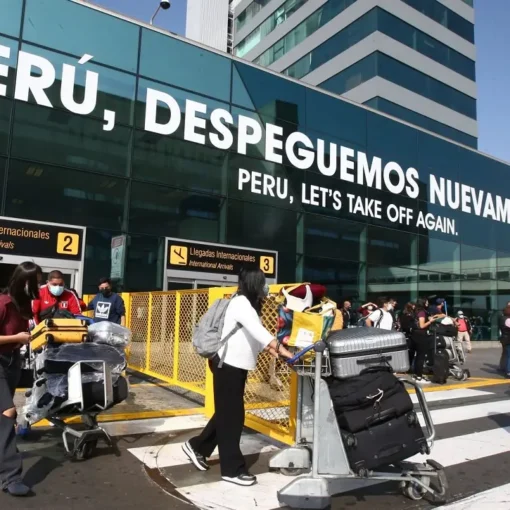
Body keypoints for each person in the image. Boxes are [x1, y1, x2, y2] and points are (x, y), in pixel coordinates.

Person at [182, 267, 293, 487]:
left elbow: (254, 336)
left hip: (235, 367)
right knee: (233, 418)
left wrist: (273, 350)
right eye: (262, 283)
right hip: (228, 366)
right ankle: (231, 470)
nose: (265, 287)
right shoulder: (241, 303)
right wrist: (282, 350)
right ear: (254, 284)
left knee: (227, 413)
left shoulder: (246, 304)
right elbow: (259, 332)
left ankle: (197, 446)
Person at [0, 261, 41, 496]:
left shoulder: (24, 305)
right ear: (23, 281)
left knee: (2, 417)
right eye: (35, 280)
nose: (39, 284)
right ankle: (11, 477)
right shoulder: (3, 303)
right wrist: (16, 336)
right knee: (8, 413)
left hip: (13, 361)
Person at [411, 298, 442, 384]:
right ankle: (419, 376)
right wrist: (430, 321)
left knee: (418, 356)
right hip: (421, 335)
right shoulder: (421, 312)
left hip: (415, 335)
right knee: (421, 356)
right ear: (423, 303)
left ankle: (417, 374)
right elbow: (421, 325)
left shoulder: (416, 311)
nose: (428, 303)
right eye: (426, 301)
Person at [400, 302, 416, 368]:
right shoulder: (407, 315)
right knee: (409, 352)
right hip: (408, 334)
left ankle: (408, 366)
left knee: (410, 351)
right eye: (413, 306)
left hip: (409, 334)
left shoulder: (406, 314)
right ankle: (407, 366)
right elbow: (405, 326)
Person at [499, 306, 510, 378]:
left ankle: (503, 368)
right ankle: (508, 371)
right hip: (508, 339)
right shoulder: (508, 320)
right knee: (509, 355)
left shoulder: (503, 318)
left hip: (504, 339)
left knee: (505, 354)